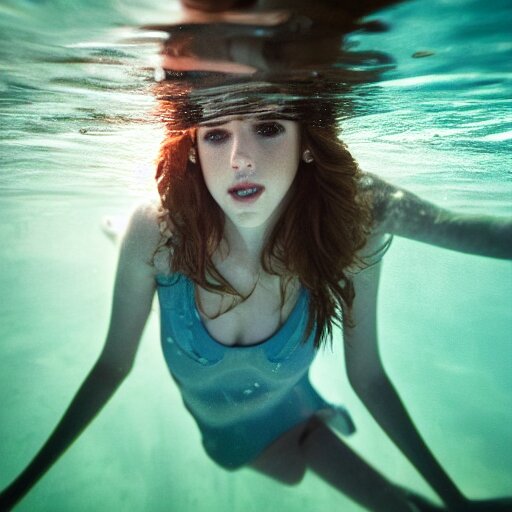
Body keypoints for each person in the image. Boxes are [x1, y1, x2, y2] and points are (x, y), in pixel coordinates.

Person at [1, 100, 511, 512]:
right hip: (241, 437)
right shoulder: (158, 232)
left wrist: (455, 502)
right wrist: (15, 493)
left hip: (290, 399)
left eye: (267, 126)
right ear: (195, 149)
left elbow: (460, 232)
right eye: (216, 134)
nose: (240, 159)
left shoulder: (348, 224)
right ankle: (115, 233)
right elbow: (112, 367)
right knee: (139, 239)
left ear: (306, 143)